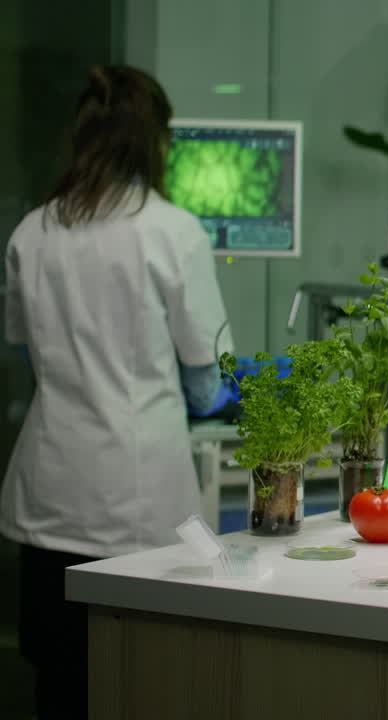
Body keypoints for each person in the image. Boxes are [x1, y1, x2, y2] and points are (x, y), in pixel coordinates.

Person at [2, 65, 232, 719]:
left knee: (58, 680)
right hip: (142, 506)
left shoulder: (32, 232)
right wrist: (214, 395)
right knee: (141, 678)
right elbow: (207, 373)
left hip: (50, 501)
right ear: (156, 140)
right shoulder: (172, 231)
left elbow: (26, 346)